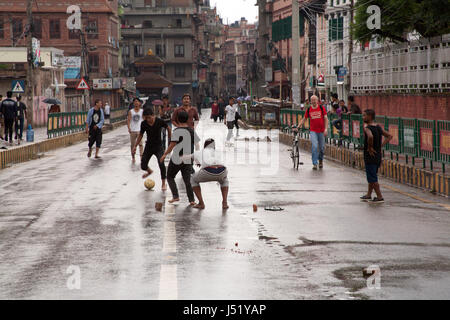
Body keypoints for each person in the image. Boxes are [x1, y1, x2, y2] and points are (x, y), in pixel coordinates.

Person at [160, 110, 199, 205]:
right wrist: (196, 158)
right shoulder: (191, 130)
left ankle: (176, 196)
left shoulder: (177, 131)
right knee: (187, 180)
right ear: (187, 119)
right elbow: (197, 145)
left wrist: (165, 154)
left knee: (169, 176)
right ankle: (192, 200)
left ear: (177, 119)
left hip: (177, 158)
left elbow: (172, 145)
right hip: (188, 158)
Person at [133, 108, 171, 191]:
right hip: (149, 146)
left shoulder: (159, 121)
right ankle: (149, 171)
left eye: (149, 117)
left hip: (158, 147)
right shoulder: (144, 124)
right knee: (143, 165)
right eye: (146, 118)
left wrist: (170, 138)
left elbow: (168, 127)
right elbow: (140, 135)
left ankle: (163, 183)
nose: (148, 120)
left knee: (161, 163)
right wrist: (135, 146)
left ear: (153, 115)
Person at [360, 109, 393, 203]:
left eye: (364, 115)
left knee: (372, 177)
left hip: (370, 155)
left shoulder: (367, 128)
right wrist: (380, 145)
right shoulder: (378, 127)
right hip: (378, 155)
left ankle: (379, 196)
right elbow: (389, 136)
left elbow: (370, 137)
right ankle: (369, 194)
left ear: (370, 117)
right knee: (372, 175)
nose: (363, 117)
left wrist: (370, 147)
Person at [190, 138, 229, 210]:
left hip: (209, 171)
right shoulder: (217, 152)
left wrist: (196, 161)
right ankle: (225, 203)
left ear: (205, 145)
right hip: (222, 170)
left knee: (193, 179)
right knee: (225, 180)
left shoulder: (201, 151)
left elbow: (189, 157)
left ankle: (201, 203)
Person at [298, 95, 328, 170]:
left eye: (315, 100)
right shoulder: (309, 109)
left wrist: (326, 129)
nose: (314, 101)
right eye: (312, 100)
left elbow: (326, 119)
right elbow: (304, 119)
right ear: (311, 101)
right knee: (314, 146)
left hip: (321, 131)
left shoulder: (321, 108)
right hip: (313, 131)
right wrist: (299, 126)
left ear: (317, 101)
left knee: (322, 148)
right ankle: (315, 163)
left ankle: (320, 160)